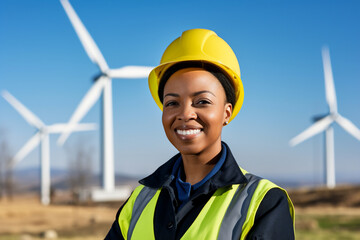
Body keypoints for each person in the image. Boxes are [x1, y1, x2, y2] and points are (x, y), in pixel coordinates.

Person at [105, 29, 295, 240]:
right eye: (172, 103)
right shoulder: (139, 200)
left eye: (202, 101)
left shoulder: (263, 203)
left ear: (226, 112)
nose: (185, 114)